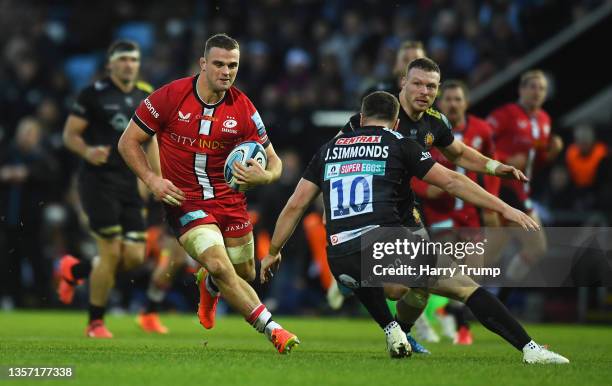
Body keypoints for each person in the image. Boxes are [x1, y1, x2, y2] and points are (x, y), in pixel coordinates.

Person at [262, 91, 569, 364]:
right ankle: (530, 349)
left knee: (393, 284)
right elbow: (451, 179)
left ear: (361, 118)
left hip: (339, 254)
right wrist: (504, 208)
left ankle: (394, 330)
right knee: (465, 287)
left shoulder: (328, 148)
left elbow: (295, 205)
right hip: (384, 245)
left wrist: (273, 251)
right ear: (396, 122)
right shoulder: (399, 142)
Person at [117, 33, 299, 354]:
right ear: (203, 64)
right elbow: (127, 141)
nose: (226, 71)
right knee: (217, 263)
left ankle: (210, 286)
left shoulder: (243, 108)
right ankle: (274, 330)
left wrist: (266, 175)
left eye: (232, 65)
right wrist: (151, 179)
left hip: (230, 202)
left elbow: (276, 162)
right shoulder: (170, 96)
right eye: (218, 64)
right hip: (184, 201)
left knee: (246, 273)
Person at [342, 57, 527, 347]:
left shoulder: (435, 121)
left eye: (431, 86)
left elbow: (459, 154)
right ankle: (354, 275)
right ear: (403, 82)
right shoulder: (382, 112)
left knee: (418, 289)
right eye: (417, 83)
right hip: (367, 213)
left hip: (404, 212)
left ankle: (402, 333)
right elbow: (336, 157)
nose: (424, 91)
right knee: (395, 287)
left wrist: (493, 167)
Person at [58, 40, 154, 338]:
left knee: (136, 257)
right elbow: (70, 135)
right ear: (110, 63)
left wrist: (152, 179)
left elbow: (153, 142)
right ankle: (95, 323)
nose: (129, 64)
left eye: (133, 59)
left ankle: (75, 270)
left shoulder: (146, 95)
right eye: (123, 59)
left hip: (130, 183)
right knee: (111, 252)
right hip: (98, 182)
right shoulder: (92, 94)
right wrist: (87, 152)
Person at [410, 79, 500, 344]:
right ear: (441, 102)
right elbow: (409, 168)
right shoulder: (427, 129)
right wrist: (427, 191)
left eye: (457, 99)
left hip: (469, 212)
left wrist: (491, 202)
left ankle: (450, 313)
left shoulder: (482, 130)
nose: (452, 103)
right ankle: (450, 324)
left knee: (474, 274)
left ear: (466, 102)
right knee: (449, 269)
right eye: (448, 99)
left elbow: (489, 165)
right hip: (438, 212)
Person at [486, 70, 563, 296]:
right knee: (535, 247)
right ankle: (489, 302)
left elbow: (534, 163)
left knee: (492, 253)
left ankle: (461, 304)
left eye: (541, 88)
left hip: (522, 191)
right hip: (502, 190)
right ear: (521, 89)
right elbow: (481, 143)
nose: (537, 92)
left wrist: (551, 153)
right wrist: (504, 160)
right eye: (532, 87)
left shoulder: (544, 119)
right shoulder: (506, 114)